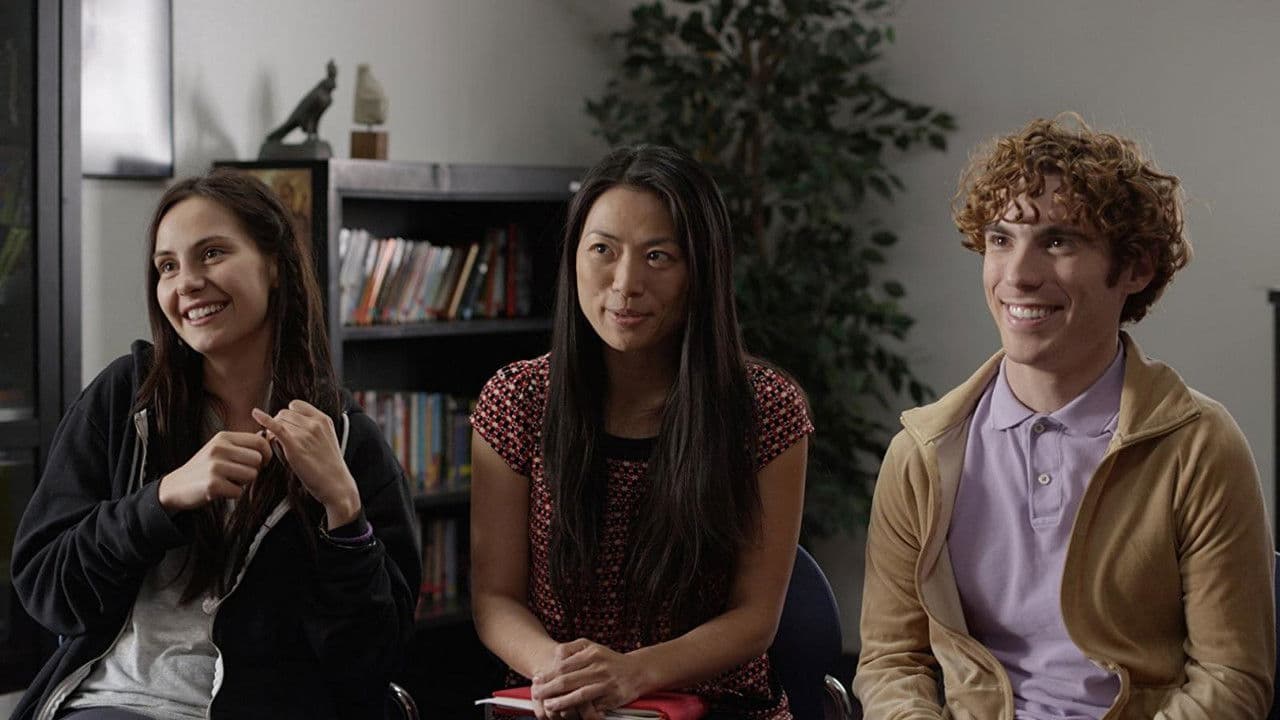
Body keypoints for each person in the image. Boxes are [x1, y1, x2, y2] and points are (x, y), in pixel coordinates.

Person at [854, 114, 1275, 719]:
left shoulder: (1200, 447)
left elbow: (1231, 681)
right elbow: (892, 663)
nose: (1018, 276)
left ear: (1136, 268)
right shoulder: (923, 453)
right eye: (1001, 240)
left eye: (1057, 242)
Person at [10, 169, 420, 720]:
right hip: (113, 703)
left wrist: (344, 511)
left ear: (274, 265)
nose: (187, 283)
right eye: (168, 266)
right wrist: (160, 500)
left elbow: (371, 664)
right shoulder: (124, 400)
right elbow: (46, 590)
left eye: (212, 254)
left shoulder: (347, 439)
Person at [470, 145, 813, 720]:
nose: (626, 283)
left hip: (717, 707)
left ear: (700, 270)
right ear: (574, 258)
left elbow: (755, 617)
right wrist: (561, 673)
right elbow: (494, 599)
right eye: (603, 250)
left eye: (658, 256)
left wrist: (632, 673)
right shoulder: (517, 400)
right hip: (559, 703)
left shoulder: (765, 410)